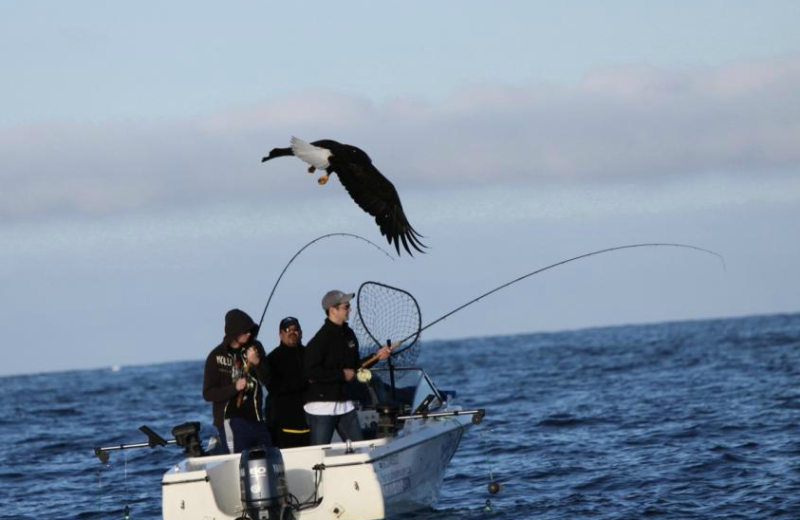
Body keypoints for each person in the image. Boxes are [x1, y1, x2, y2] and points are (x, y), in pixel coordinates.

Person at [304, 290, 391, 445]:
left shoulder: (349, 334)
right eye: (346, 307)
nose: (350, 309)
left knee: (360, 448)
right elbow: (311, 372)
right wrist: (341, 375)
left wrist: (377, 356)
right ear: (332, 310)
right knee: (318, 454)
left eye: (349, 306)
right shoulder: (320, 340)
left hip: (345, 404)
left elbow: (356, 367)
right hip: (322, 407)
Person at [203, 309, 272, 454]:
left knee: (268, 455)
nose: (249, 334)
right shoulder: (215, 356)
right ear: (235, 332)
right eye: (245, 331)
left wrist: (257, 362)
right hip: (232, 422)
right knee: (238, 462)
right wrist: (234, 388)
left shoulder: (255, 348)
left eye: (251, 331)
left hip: (257, 419)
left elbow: (268, 380)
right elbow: (208, 394)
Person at [265, 316, 311, 449]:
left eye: (295, 329)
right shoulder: (273, 358)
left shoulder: (311, 354)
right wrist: (305, 382)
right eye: (287, 329)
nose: (292, 332)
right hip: (285, 424)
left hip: (312, 421)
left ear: (301, 332)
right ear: (280, 334)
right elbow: (273, 387)